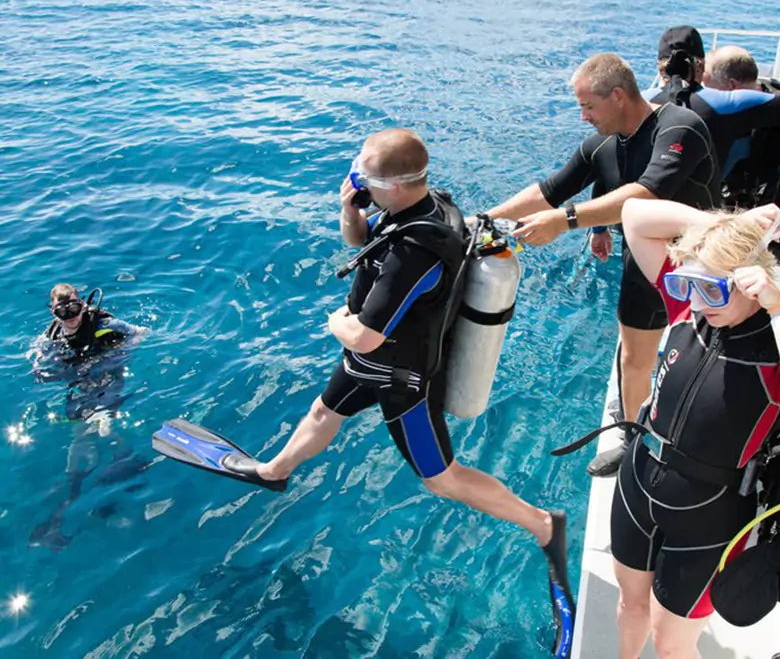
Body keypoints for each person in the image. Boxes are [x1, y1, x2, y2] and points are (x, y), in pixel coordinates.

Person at [153, 129, 575, 652]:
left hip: (400, 377)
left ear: (394, 185)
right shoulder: (427, 203)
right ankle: (273, 471)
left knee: (442, 479)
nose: (356, 184)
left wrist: (336, 320)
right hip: (369, 364)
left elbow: (366, 333)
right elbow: (361, 242)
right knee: (323, 411)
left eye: (363, 180)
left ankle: (543, 525)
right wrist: (348, 207)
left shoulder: (415, 253)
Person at [608, 199, 780, 658]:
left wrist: (779, 311)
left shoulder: (776, 346)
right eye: (687, 284)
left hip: (709, 518)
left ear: (748, 283)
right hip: (638, 484)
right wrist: (726, 227)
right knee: (628, 604)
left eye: (712, 290)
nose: (697, 302)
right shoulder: (689, 306)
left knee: (672, 646)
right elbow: (634, 215)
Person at [484, 53, 719, 477]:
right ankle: (634, 441)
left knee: (703, 359)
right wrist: (489, 218)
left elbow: (648, 193)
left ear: (617, 95)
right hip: (643, 265)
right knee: (633, 359)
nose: (583, 116)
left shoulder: (680, 126)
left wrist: (568, 221)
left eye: (588, 106)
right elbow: (550, 190)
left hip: (701, 265)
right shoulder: (601, 146)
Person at [29, 283, 148, 549]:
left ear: (83, 304)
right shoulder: (53, 336)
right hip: (80, 386)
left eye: (75, 307)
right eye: (63, 311)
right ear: (53, 313)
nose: (71, 315)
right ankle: (60, 516)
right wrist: (38, 361)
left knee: (105, 427)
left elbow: (141, 332)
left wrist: (118, 356)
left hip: (108, 379)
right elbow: (38, 358)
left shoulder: (103, 322)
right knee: (78, 442)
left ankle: (127, 464)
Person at [653, 43, 780, 187]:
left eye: (707, 86)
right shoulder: (761, 104)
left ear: (732, 85)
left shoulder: (727, 106)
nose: (702, 92)